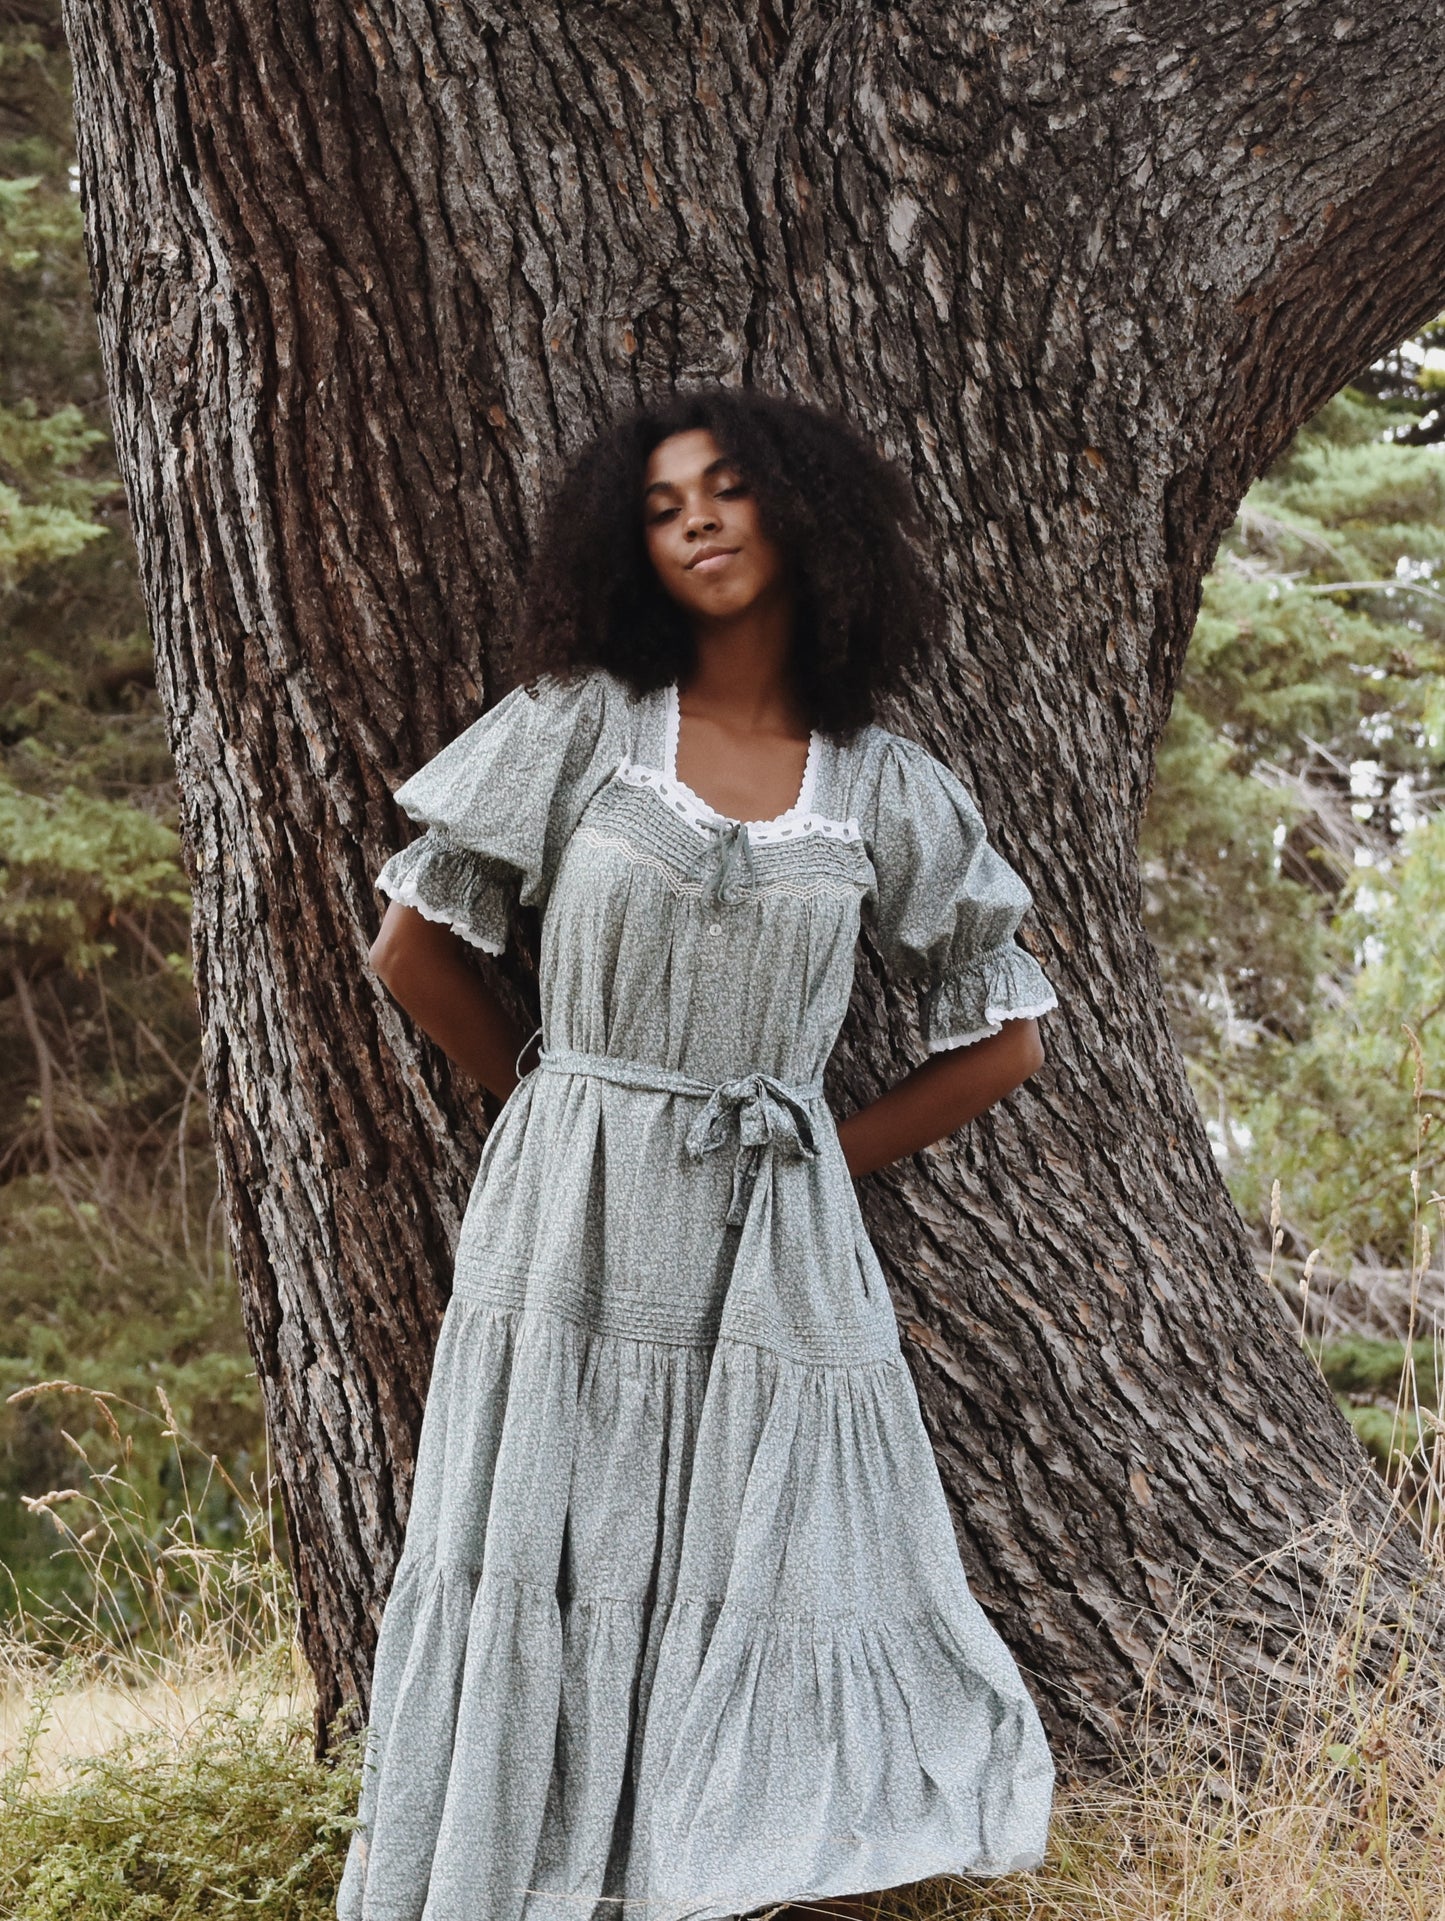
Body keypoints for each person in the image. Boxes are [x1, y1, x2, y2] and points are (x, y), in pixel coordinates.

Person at [336, 385, 1059, 1921]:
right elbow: (412, 947)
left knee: (761, 1543)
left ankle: (701, 1865)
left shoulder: (882, 783)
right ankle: (515, 1865)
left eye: (725, 489)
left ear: (804, 515)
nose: (699, 523)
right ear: (628, 545)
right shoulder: (584, 720)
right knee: (545, 1517)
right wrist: (553, 1096)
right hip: (571, 1201)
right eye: (662, 507)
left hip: (771, 1225)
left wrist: (822, 1155)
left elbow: (1003, 1040)